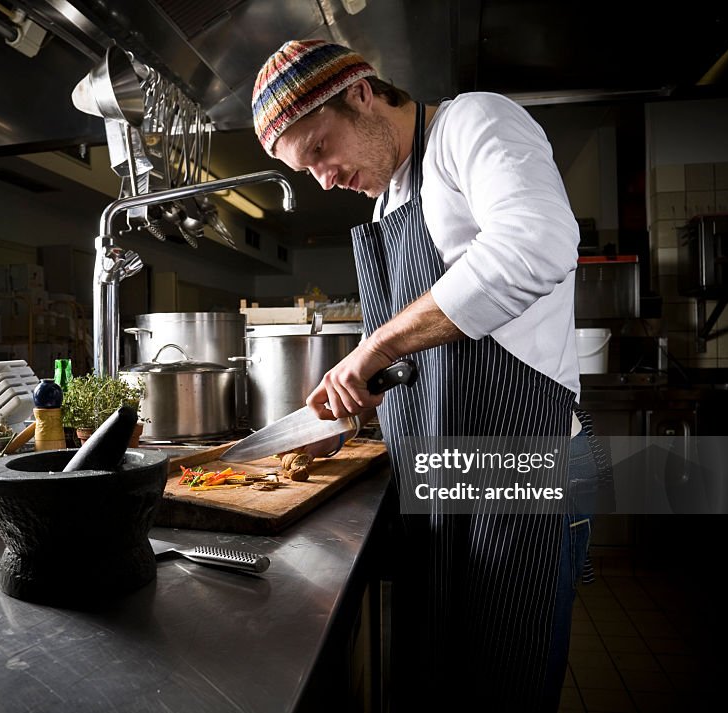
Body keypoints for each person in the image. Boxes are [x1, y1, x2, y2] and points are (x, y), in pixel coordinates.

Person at [252, 40, 605, 711]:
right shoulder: (388, 200)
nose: (324, 178)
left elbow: (539, 241)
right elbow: (422, 351)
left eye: (321, 149)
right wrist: (357, 386)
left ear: (360, 92)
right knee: (446, 679)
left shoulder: (475, 125)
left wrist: (375, 345)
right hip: (445, 473)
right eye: (308, 170)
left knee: (505, 680)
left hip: (519, 464)